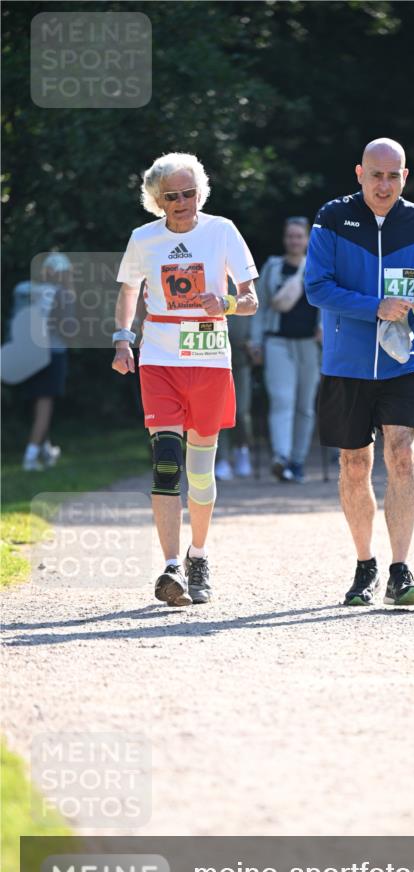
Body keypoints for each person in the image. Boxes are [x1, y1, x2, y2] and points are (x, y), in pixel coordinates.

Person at [304, 138, 414, 607]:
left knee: (403, 455)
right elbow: (316, 287)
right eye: (376, 175)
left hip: (404, 360)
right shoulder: (332, 218)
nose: (384, 184)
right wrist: (376, 307)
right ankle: (365, 563)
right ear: (359, 174)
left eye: (393, 175)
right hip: (346, 365)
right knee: (354, 465)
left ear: (405, 177)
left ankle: (400, 568)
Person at [111, 152, 258, 607]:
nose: (181, 202)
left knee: (200, 471)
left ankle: (199, 554)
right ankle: (171, 565)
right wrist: (122, 340)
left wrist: (228, 304)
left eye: (188, 193)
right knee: (167, 461)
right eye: (171, 196)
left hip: (210, 357)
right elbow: (129, 291)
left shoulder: (223, 231)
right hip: (159, 356)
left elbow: (251, 298)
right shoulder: (144, 238)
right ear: (156, 200)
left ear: (201, 193)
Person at [249, 217, 322, 483]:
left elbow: (328, 303)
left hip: (309, 345)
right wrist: (256, 342)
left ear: (307, 240)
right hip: (277, 342)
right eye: (290, 236)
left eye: (299, 236)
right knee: (282, 400)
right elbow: (260, 307)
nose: (294, 241)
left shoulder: (318, 268)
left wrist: (325, 329)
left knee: (305, 407)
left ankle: (297, 461)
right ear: (285, 239)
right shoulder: (272, 267)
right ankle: (280, 457)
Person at [19, 253, 75, 471]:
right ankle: (30, 457)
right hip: (53, 354)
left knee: (39, 402)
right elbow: (67, 329)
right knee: (45, 405)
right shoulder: (63, 294)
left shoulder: (31, 291)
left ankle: (46, 450)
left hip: (31, 353)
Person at [214, 311, 254, 481]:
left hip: (241, 352)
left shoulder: (245, 283)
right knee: (217, 409)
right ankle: (221, 458)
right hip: (214, 350)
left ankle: (242, 449)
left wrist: (254, 340)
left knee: (241, 411)